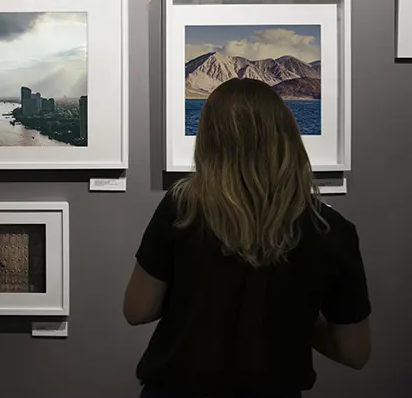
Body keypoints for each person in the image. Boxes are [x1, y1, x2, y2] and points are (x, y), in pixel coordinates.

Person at [123, 78, 371, 398]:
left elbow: (137, 310)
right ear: (289, 138)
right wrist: (295, 316)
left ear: (209, 140)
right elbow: (355, 352)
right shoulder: (331, 229)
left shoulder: (181, 209)